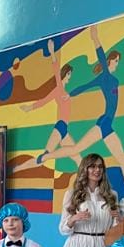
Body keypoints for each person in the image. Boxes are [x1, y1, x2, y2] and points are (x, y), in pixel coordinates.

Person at [37, 24, 124, 197]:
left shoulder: (108, 78)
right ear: (109, 61)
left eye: (118, 61)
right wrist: (95, 38)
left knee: (123, 161)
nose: (117, 63)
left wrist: (70, 94)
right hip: (103, 123)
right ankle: (46, 157)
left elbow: (84, 86)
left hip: (108, 126)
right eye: (116, 60)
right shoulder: (105, 75)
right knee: (76, 148)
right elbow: (88, 79)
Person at [21, 38, 79, 167]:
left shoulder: (63, 91)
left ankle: (84, 181)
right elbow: (44, 100)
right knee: (43, 158)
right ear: (65, 74)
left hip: (64, 129)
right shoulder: (59, 88)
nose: (70, 77)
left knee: (78, 159)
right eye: (69, 74)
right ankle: (17, 168)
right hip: (60, 126)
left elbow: (44, 101)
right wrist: (52, 52)